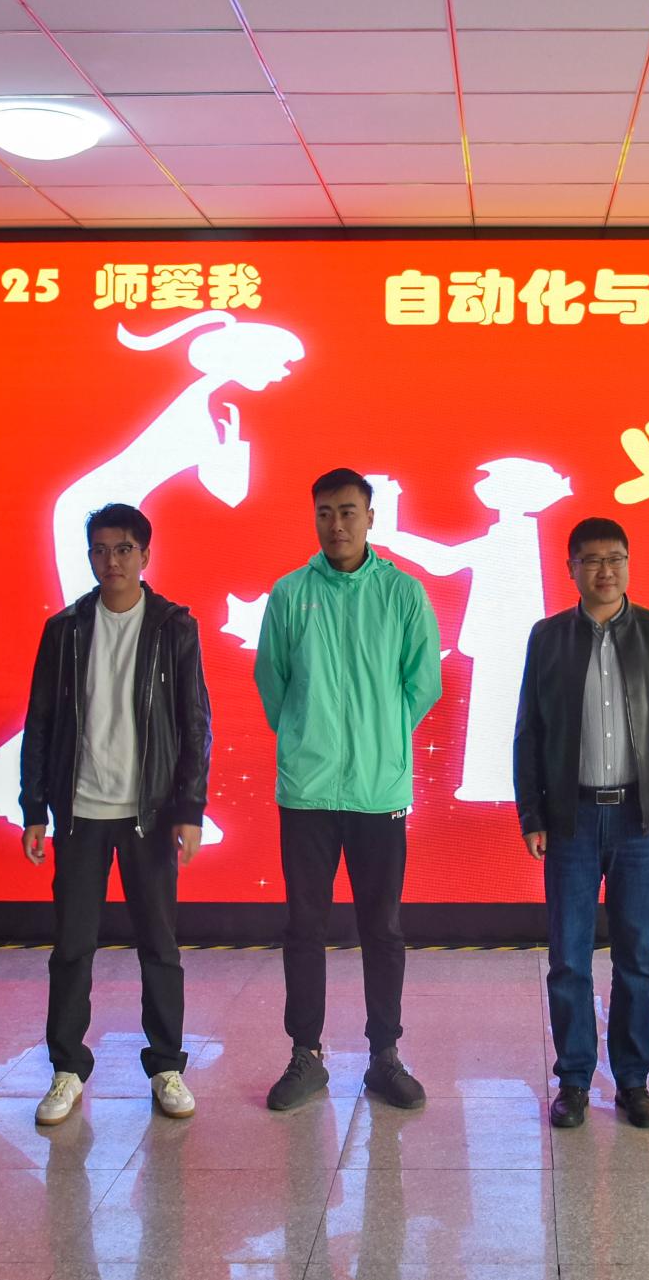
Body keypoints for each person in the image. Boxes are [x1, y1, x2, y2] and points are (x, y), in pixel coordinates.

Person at [255, 468, 443, 1112]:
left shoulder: (403, 592)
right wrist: (306, 738)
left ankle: (384, 1056)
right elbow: (272, 682)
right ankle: (305, 1055)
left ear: (370, 517)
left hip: (377, 790)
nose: (336, 524)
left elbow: (423, 684)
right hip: (305, 792)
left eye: (348, 512)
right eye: (325, 513)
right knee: (304, 927)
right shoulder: (289, 594)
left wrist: (381, 737)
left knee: (382, 928)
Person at [19, 503, 212, 1127]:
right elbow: (40, 722)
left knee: (159, 945)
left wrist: (189, 807)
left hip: (147, 813)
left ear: (145, 555)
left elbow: (194, 723)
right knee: (72, 946)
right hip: (79, 811)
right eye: (100, 550)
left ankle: (166, 1066)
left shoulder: (174, 627)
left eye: (124, 549)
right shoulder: (65, 629)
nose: (112, 561)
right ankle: (67, 1068)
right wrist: (33, 807)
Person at [514, 517, 649, 1130]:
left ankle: (633, 1081)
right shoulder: (548, 637)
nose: (605, 570)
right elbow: (529, 732)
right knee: (568, 958)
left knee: (637, 959)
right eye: (591, 560)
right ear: (570, 568)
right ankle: (572, 1080)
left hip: (639, 821)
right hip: (570, 819)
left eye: (615, 558)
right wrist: (531, 813)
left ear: (628, 563)